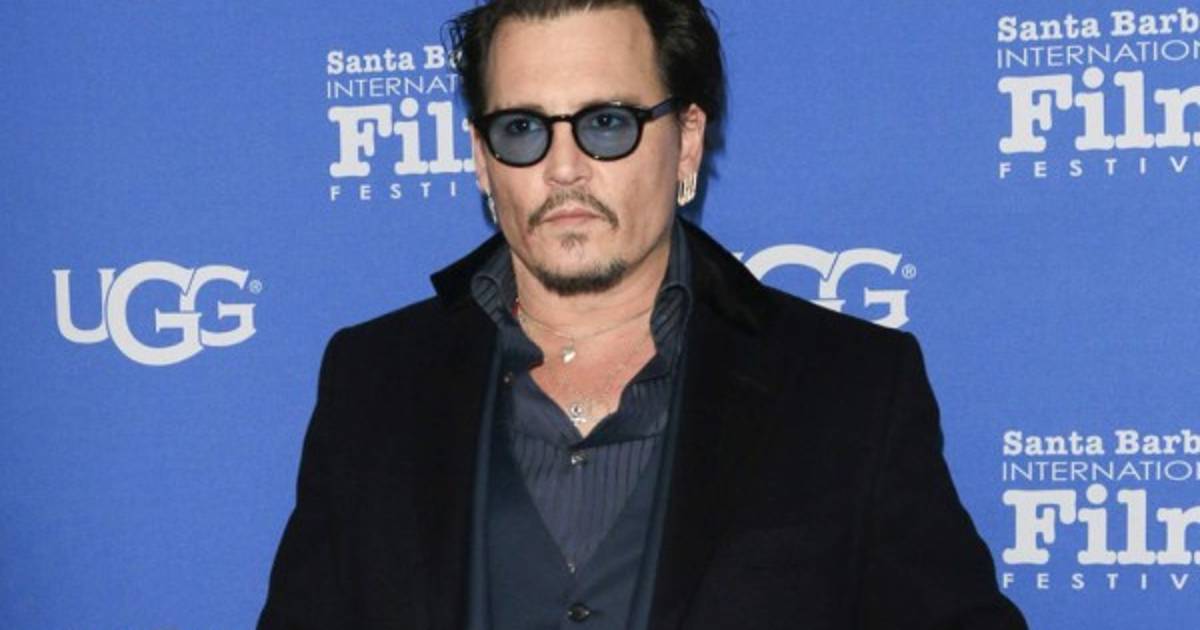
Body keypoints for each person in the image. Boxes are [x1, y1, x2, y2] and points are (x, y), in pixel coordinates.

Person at [260, 1, 1027, 628]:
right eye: (523, 128)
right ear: (481, 157)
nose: (564, 168)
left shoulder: (850, 386)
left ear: (686, 141)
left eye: (607, 123)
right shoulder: (372, 382)